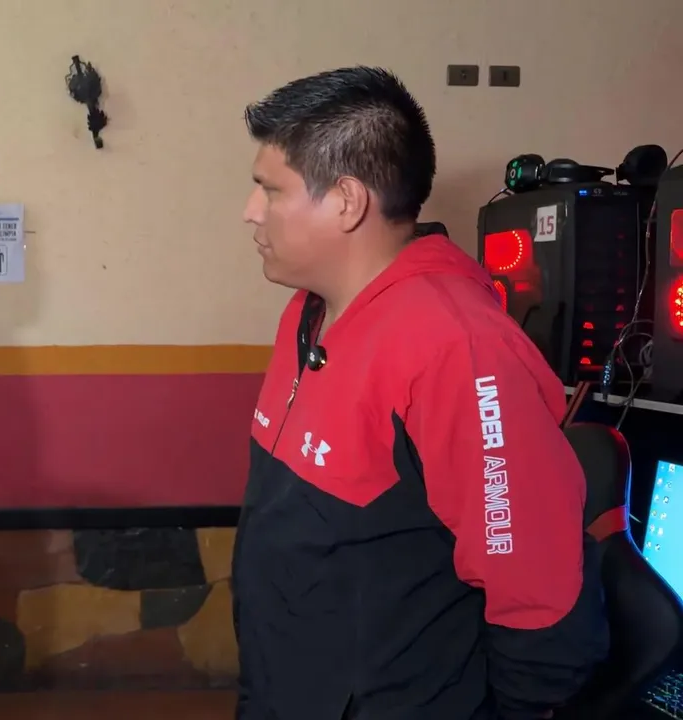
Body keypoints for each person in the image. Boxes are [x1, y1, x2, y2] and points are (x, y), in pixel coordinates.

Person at [232, 67, 608, 719]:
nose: (250, 211)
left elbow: (538, 595)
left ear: (346, 201)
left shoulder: (456, 345)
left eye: (270, 189)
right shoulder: (307, 313)